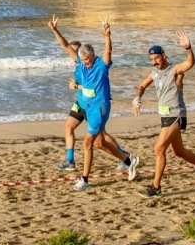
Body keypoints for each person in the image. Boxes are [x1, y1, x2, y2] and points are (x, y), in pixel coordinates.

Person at [48, 16, 139, 183]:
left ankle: (85, 179)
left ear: (93, 55)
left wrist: (107, 34)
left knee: (93, 141)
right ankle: (126, 159)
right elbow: (65, 46)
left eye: (87, 60)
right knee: (97, 142)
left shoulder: (101, 65)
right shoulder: (80, 65)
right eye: (83, 60)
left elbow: (108, 52)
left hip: (98, 107)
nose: (85, 63)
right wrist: (55, 30)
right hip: (82, 104)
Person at [131, 29, 195, 197]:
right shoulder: (154, 73)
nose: (154, 62)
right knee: (179, 152)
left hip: (176, 114)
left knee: (158, 149)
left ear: (164, 55)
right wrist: (137, 99)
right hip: (164, 116)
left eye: (156, 58)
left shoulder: (175, 70)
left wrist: (188, 48)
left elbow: (190, 63)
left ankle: (156, 188)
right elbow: (141, 85)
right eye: (151, 59)